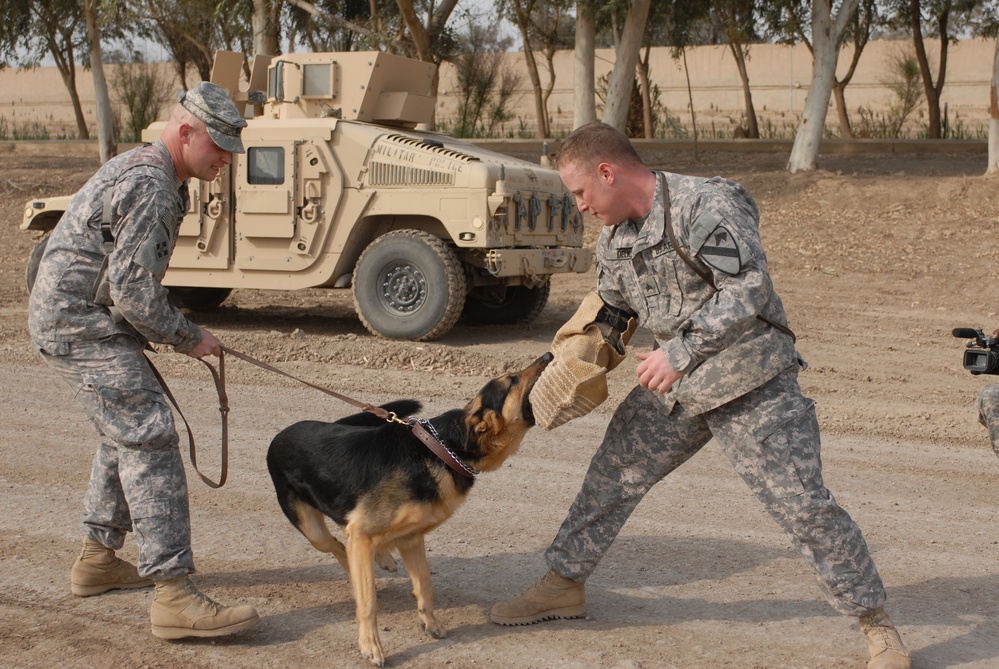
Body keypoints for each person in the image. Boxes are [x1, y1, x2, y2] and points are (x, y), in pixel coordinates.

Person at [491, 122, 911, 669]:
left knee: (804, 507)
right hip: (677, 386)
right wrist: (568, 362)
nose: (580, 206)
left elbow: (750, 286)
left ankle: (876, 625)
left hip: (751, 381)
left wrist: (680, 352)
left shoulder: (701, 205)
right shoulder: (614, 238)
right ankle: (563, 584)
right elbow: (615, 308)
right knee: (612, 473)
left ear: (607, 171)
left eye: (580, 193)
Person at [28, 82, 259, 640]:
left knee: (124, 432)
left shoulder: (152, 171)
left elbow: (123, 283)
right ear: (186, 132)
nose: (225, 158)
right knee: (150, 433)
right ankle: (175, 595)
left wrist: (168, 331)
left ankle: (98, 560)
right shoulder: (152, 183)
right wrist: (189, 336)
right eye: (218, 145)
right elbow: (133, 293)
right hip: (80, 323)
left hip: (82, 316)